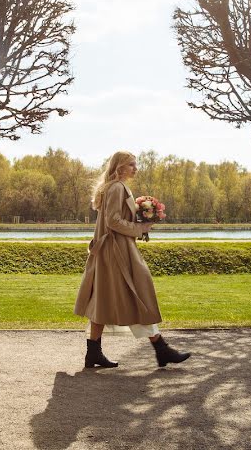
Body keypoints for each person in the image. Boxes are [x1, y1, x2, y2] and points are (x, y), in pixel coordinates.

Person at [74, 151, 191, 369]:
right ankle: (161, 349)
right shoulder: (117, 188)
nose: (135, 168)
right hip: (118, 252)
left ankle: (93, 352)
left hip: (110, 251)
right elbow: (113, 221)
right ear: (119, 167)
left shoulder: (111, 187)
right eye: (131, 164)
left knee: (103, 299)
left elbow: (112, 219)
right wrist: (140, 228)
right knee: (138, 296)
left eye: (135, 164)